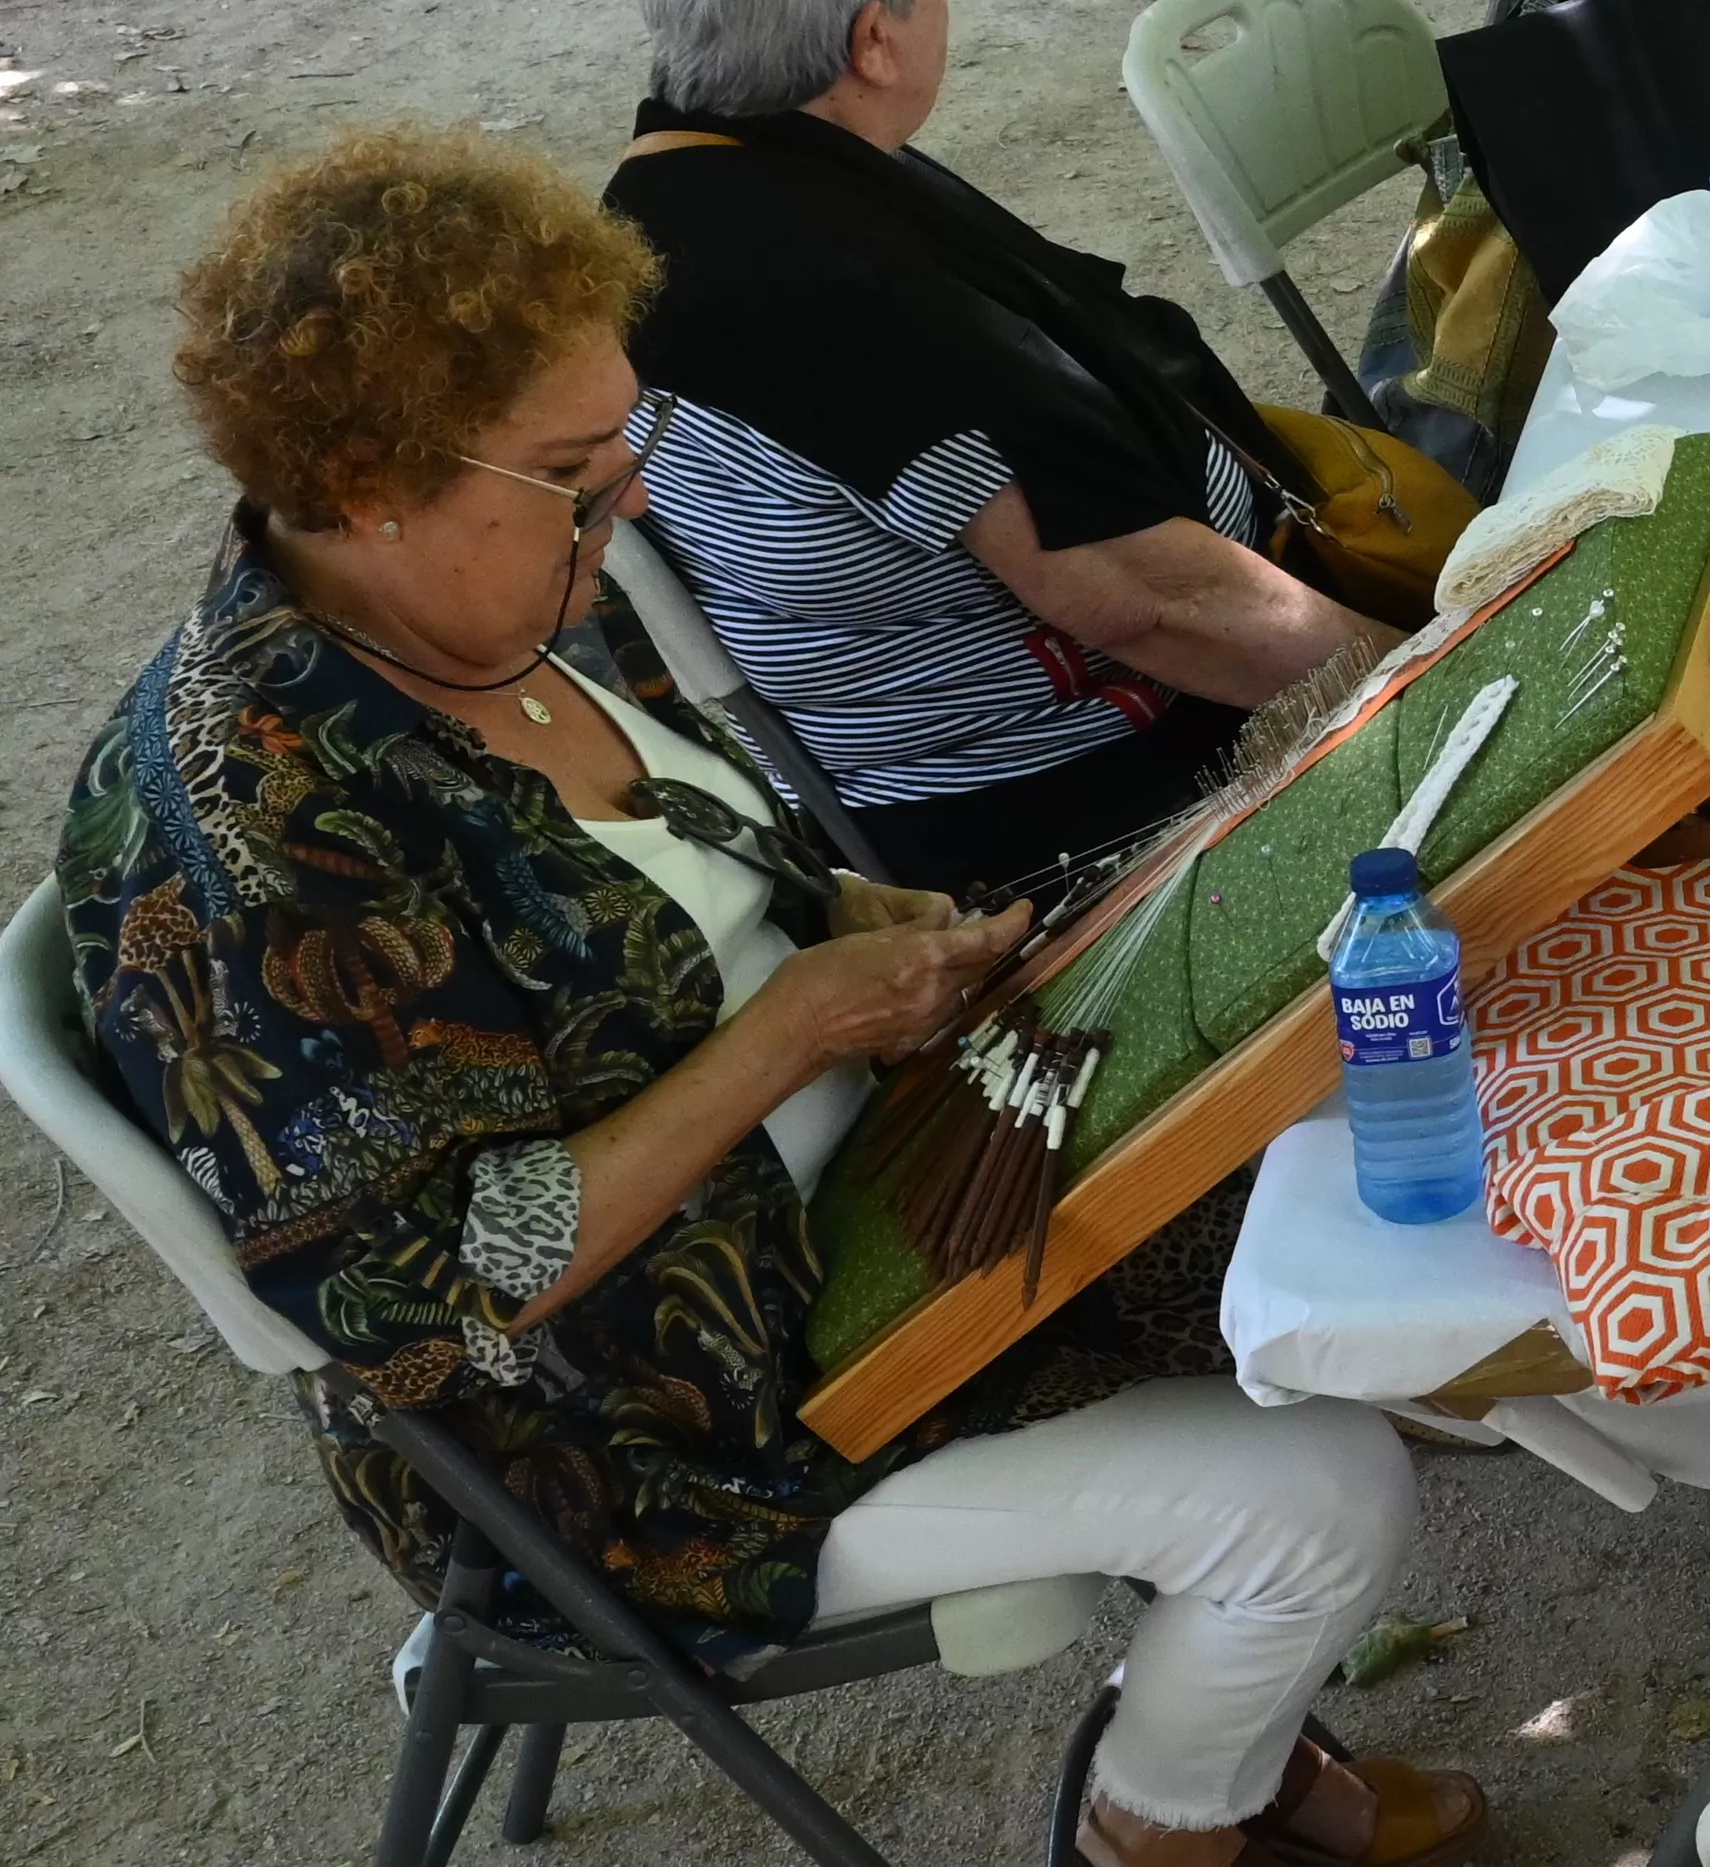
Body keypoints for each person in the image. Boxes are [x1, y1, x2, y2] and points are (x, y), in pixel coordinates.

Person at [74, 128, 1487, 1867]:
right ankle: (1164, 1823)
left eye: (629, 435)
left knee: (1355, 1226)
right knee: (1324, 1482)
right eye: (582, 464)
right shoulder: (261, 832)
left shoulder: (497, 594)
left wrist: (842, 924)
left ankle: (1235, 1744)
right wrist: (791, 1031)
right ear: (370, 479)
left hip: (867, 1198)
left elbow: (682, 872)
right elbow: (416, 1299)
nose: (642, 494)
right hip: (640, 1434)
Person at [610, 0, 1396, 895]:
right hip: (1076, 797)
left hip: (989, 748)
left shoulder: (680, 185)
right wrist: (1456, 676)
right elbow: (1157, 605)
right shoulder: (828, 297)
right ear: (871, 40)